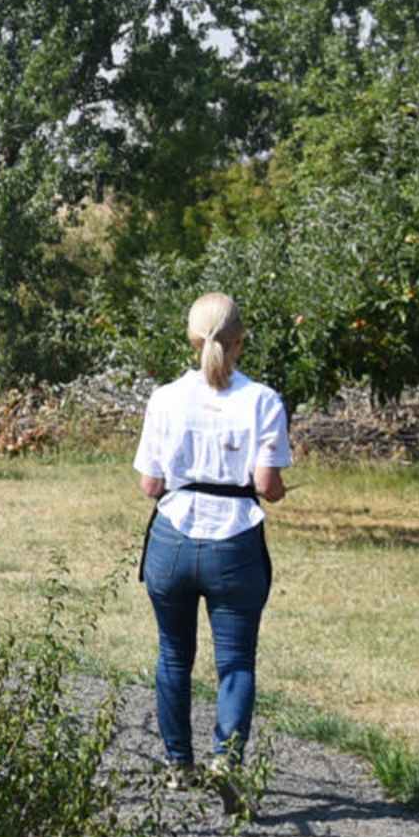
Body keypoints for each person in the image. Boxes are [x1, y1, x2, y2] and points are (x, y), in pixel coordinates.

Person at [134, 290, 293, 776]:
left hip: (173, 538)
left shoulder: (164, 399)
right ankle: (225, 760)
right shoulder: (262, 401)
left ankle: (179, 762)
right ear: (240, 341)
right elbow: (267, 486)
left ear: (190, 339)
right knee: (236, 661)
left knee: (174, 654)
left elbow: (150, 485)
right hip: (235, 543)